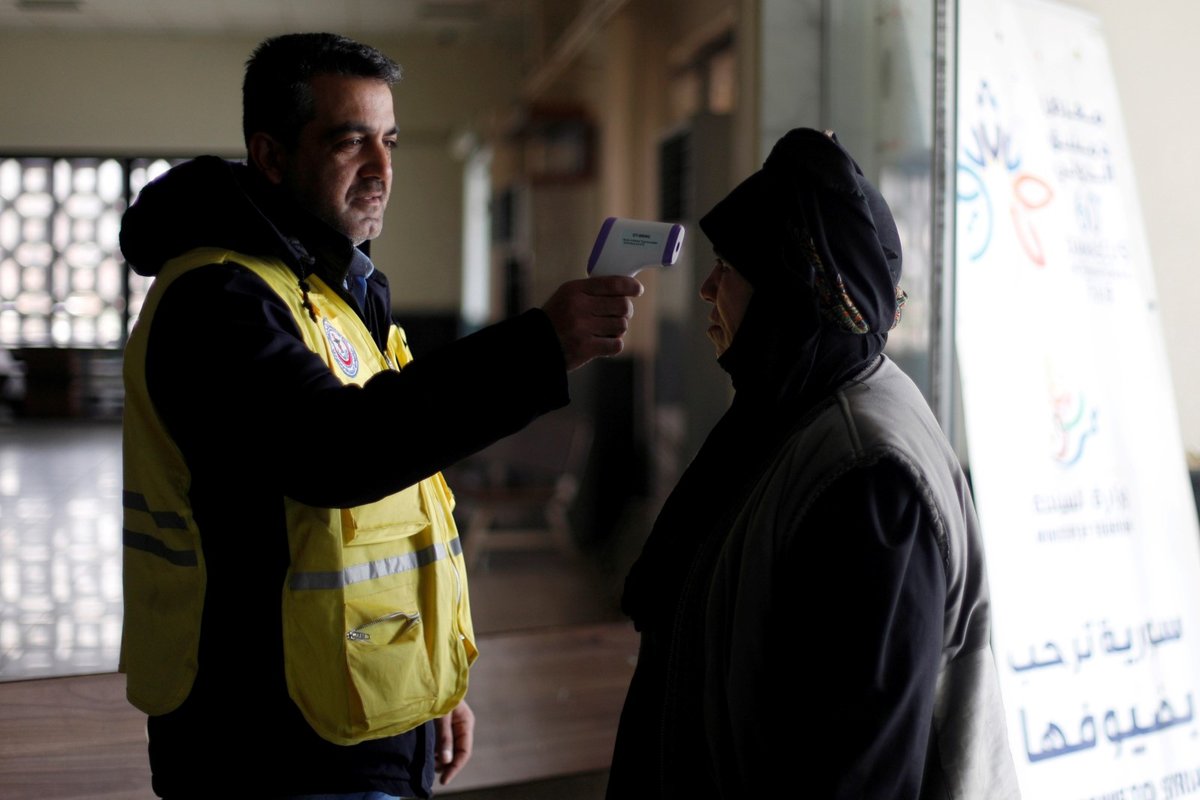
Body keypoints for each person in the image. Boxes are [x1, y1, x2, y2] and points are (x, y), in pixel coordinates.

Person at [118, 32, 642, 800]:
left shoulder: (330, 290)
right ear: (270, 156)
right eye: (349, 141)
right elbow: (339, 451)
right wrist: (538, 349)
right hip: (270, 744)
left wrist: (429, 694)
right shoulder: (218, 300)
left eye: (390, 140)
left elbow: (395, 502)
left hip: (362, 712)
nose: (383, 169)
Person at [606, 128, 1020, 799]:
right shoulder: (787, 413)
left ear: (790, 292)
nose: (708, 287)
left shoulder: (869, 478)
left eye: (732, 268)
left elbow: (863, 768)